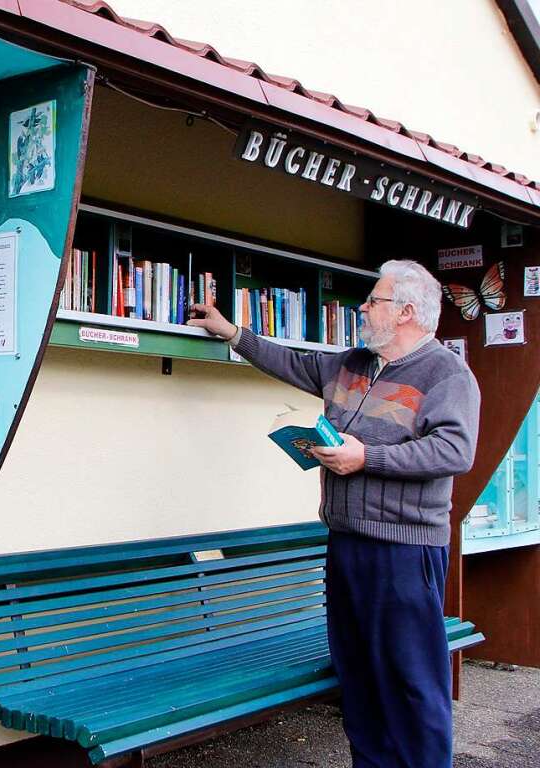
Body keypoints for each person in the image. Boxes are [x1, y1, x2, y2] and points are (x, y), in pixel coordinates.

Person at [188, 259, 480, 768]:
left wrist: (367, 456)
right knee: (358, 674)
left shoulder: (447, 374)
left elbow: (454, 452)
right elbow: (294, 363)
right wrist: (233, 333)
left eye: (373, 300)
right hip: (347, 543)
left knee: (411, 681)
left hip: (405, 551)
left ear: (406, 311)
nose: (362, 308)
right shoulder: (354, 364)